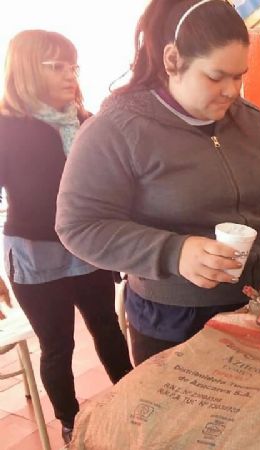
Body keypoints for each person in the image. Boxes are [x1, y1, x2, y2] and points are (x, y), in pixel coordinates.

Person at [56, 0, 260, 366]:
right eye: (216, 77)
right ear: (172, 60)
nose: (232, 91)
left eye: (239, 76)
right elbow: (79, 225)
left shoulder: (251, 121)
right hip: (175, 323)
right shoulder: (115, 130)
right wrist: (174, 252)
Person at [0, 29, 132, 444]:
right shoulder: (6, 128)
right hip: (35, 253)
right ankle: (71, 425)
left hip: (87, 247)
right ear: (24, 70)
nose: (69, 75)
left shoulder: (87, 122)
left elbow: (112, 186)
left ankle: (132, 401)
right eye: (56, 66)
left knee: (108, 329)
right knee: (57, 346)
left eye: (73, 65)